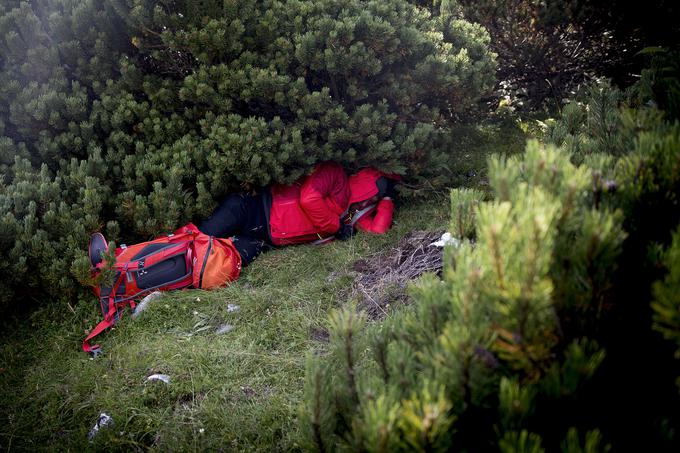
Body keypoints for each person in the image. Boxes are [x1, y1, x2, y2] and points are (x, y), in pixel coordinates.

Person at [198, 161, 399, 265]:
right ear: (364, 184)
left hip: (262, 238)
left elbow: (378, 231)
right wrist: (336, 227)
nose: (370, 202)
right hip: (250, 209)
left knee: (212, 263)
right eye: (374, 193)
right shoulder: (335, 174)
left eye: (376, 200)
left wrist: (387, 200)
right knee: (198, 239)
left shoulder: (353, 216)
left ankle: (171, 280)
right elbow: (309, 198)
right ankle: (167, 249)